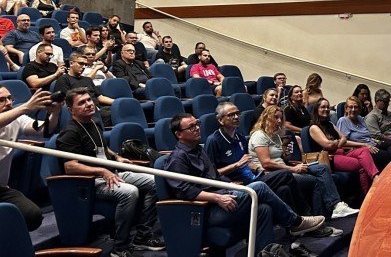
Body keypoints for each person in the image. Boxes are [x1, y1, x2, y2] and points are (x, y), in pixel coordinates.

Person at [164, 113, 324, 257]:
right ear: (179, 134)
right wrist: (218, 197)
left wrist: (230, 185)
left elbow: (216, 176)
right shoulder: (178, 158)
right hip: (207, 210)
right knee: (258, 188)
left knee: (264, 209)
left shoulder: (199, 150)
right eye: (191, 127)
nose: (197, 128)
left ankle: (264, 253)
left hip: (225, 197)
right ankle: (295, 222)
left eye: (197, 123)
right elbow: (184, 191)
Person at [56, 88, 164, 256]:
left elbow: (101, 147)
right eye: (82, 102)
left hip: (111, 172)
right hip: (91, 181)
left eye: (89, 100)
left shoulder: (93, 122)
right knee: (129, 192)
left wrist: (116, 157)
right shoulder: (69, 132)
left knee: (157, 181)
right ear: (70, 110)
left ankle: (142, 236)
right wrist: (101, 170)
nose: (89, 104)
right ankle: (120, 246)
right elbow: (70, 166)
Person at [249, 104, 359, 223]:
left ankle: (336, 206)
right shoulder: (259, 135)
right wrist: (293, 168)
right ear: (267, 118)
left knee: (321, 168)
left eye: (281, 118)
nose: (279, 121)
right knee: (314, 180)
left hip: (285, 167)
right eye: (276, 118)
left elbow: (280, 159)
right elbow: (266, 163)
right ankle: (321, 219)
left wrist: (286, 154)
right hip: (274, 173)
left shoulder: (275, 135)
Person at [0, 86, 61, 230]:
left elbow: (45, 131)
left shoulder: (17, 119)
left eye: (10, 98)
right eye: (2, 100)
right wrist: (26, 107)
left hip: (1, 189)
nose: (8, 103)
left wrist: (55, 113)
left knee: (32, 215)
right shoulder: (18, 113)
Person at [309, 99, 379, 195]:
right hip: (329, 158)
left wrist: (335, 142)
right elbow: (328, 145)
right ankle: (367, 195)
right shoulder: (314, 127)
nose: (326, 109)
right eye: (323, 107)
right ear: (317, 109)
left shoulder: (330, 124)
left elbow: (344, 138)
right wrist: (338, 142)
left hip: (340, 151)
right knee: (361, 165)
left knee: (364, 150)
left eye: (327, 107)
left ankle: (375, 177)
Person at [337, 96, 391, 170]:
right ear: (346, 109)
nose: (353, 110)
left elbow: (368, 136)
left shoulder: (360, 118)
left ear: (359, 109)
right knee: (386, 156)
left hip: (372, 144)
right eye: (350, 107)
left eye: (356, 107)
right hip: (361, 149)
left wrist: (376, 141)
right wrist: (364, 145)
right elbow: (343, 143)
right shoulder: (343, 121)